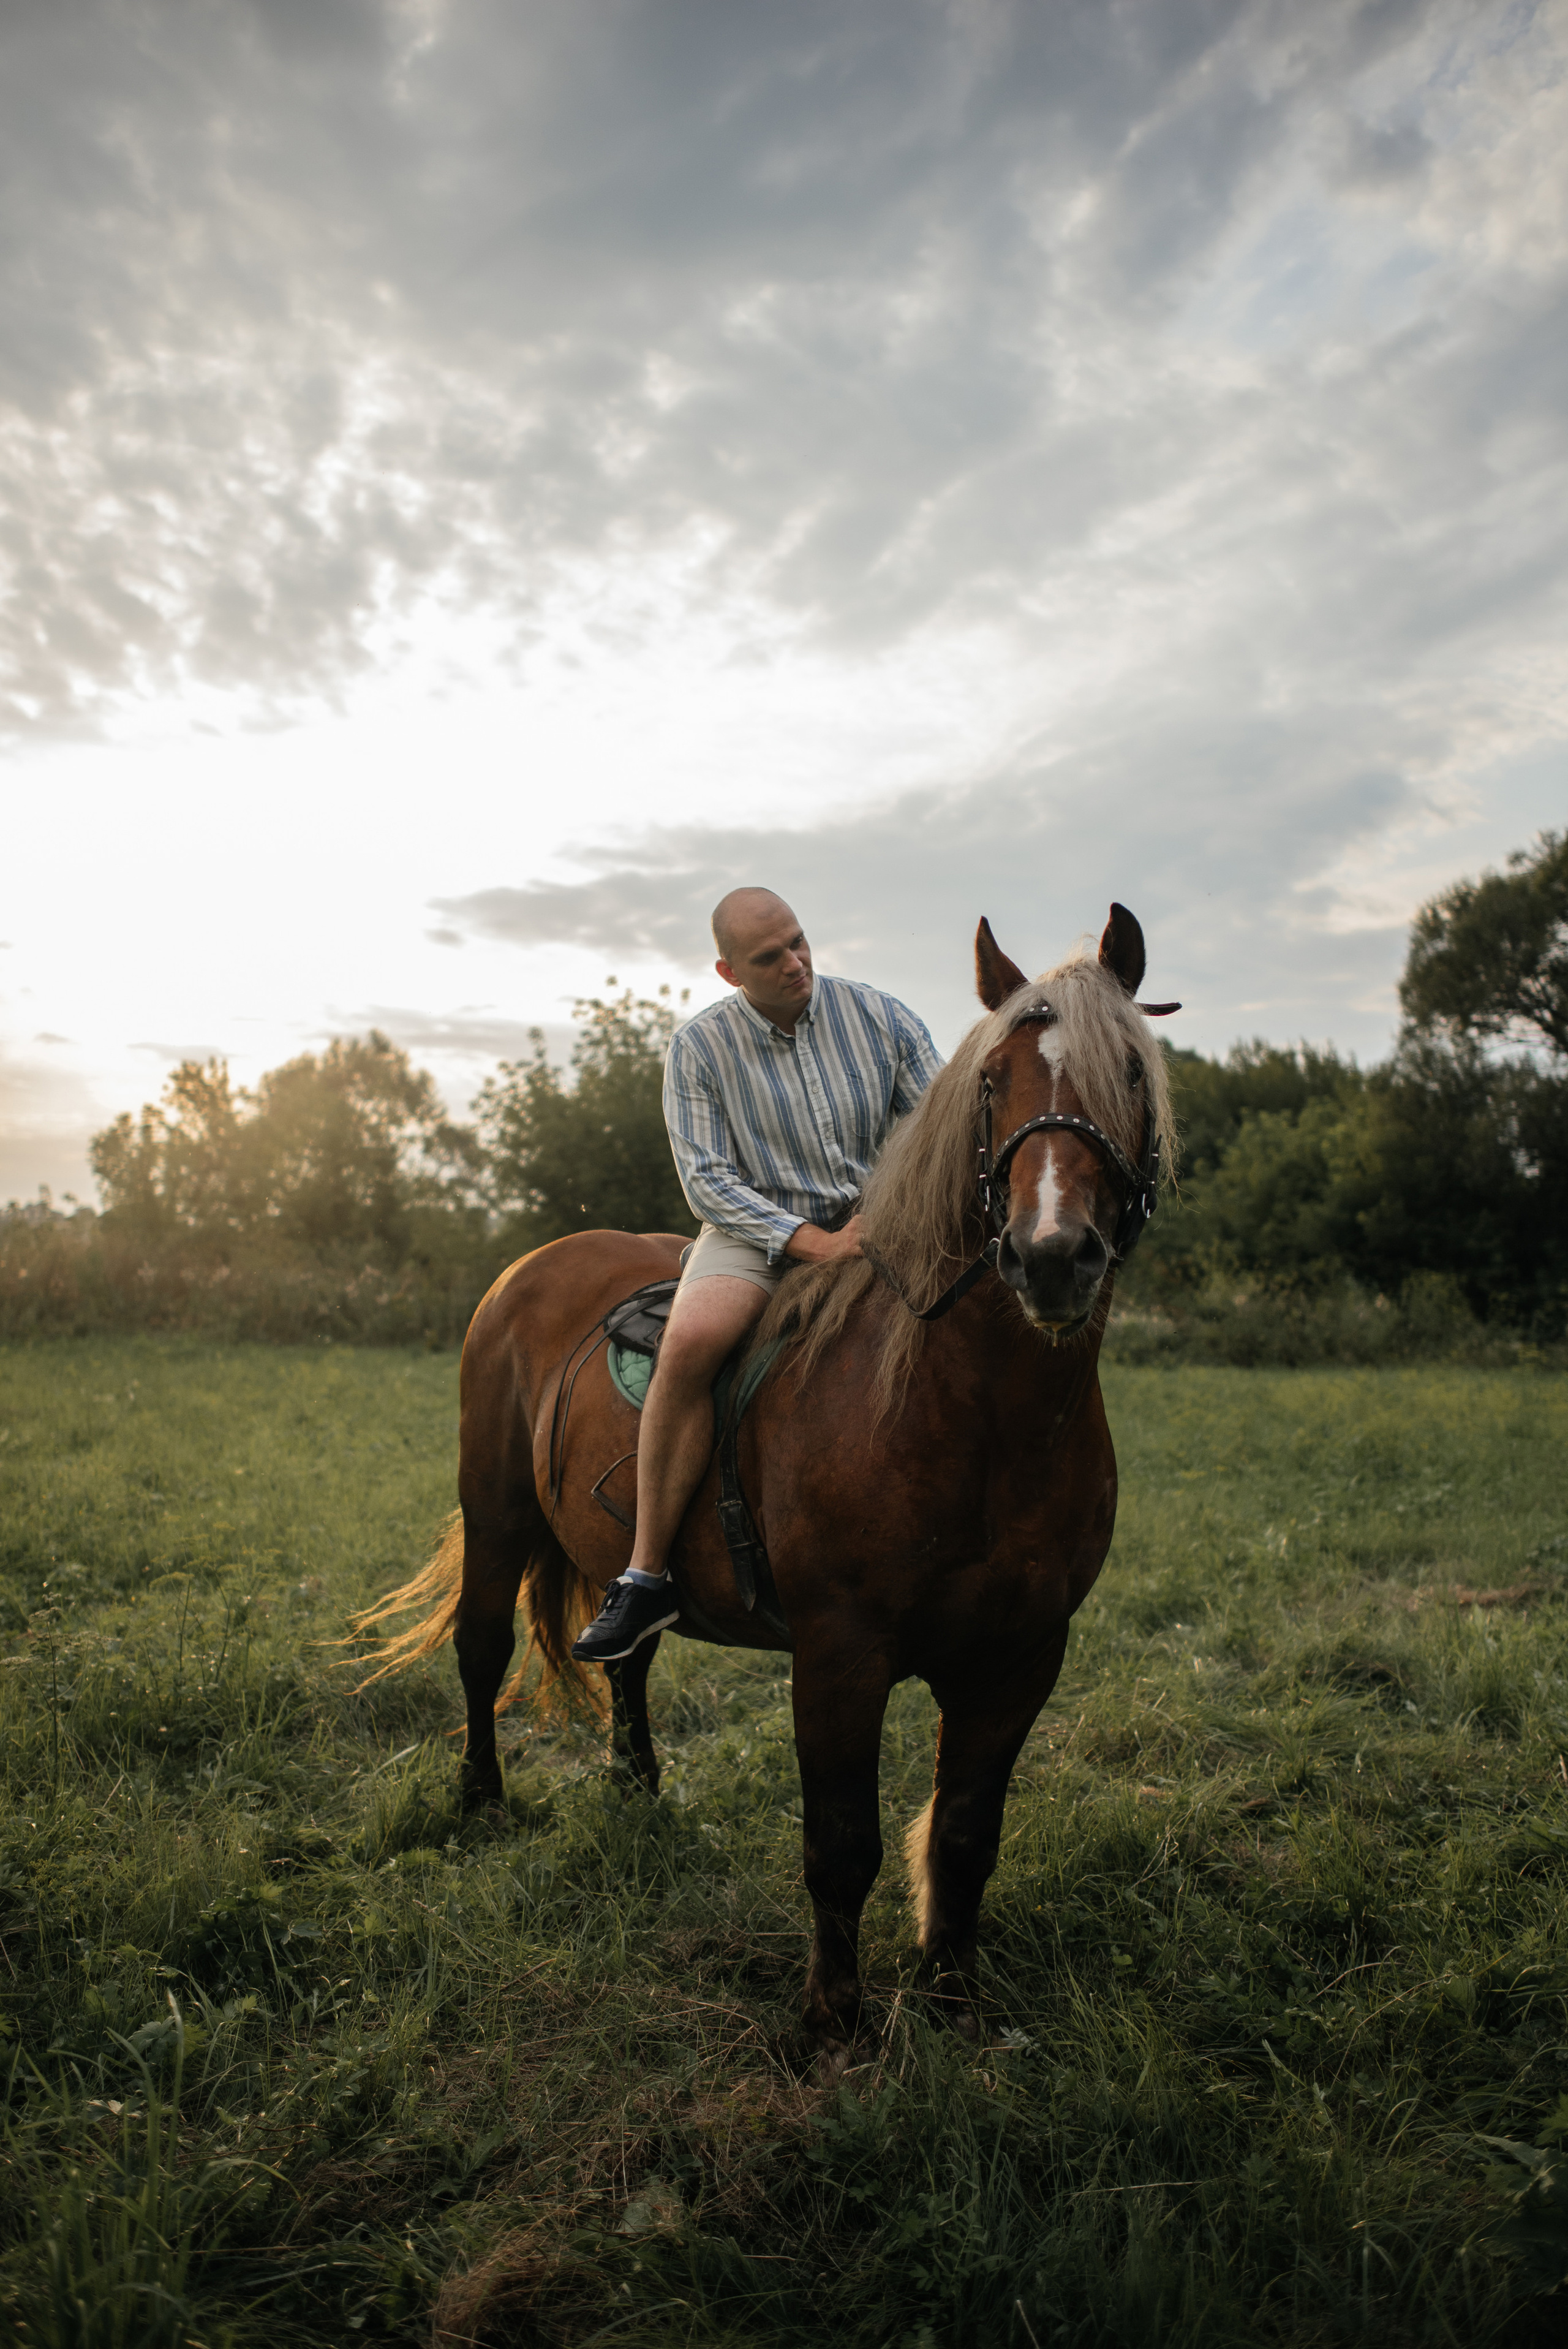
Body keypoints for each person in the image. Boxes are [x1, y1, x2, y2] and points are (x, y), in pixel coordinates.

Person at [571, 887, 943, 1660]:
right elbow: (706, 1180)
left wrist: (885, 1221)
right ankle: (643, 1578)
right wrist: (809, 1241)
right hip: (754, 1234)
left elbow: (934, 1130)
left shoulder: (883, 1017)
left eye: (799, 942)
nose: (795, 963)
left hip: (882, 1222)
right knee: (691, 1342)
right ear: (729, 971)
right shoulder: (699, 1049)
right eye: (769, 958)